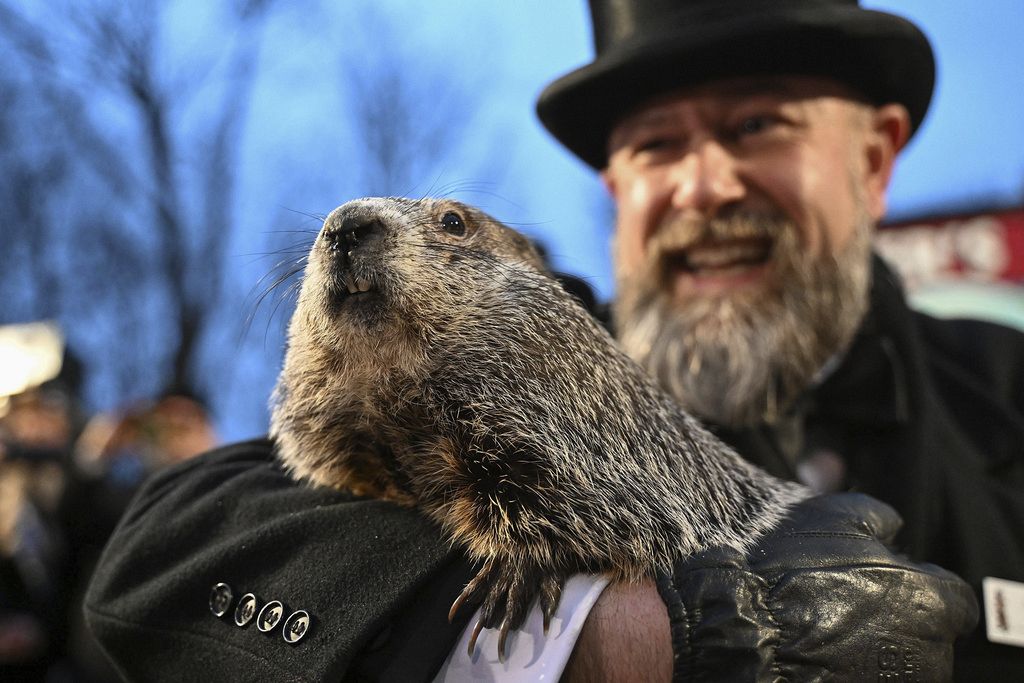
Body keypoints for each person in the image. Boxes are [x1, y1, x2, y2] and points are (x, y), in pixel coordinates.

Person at [83, 0, 1021, 680]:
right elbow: (164, 552)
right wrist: (611, 636)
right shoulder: (522, 342)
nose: (703, 187)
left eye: (755, 125)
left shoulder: (1006, 384)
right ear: (617, 194)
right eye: (655, 146)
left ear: (872, 160)